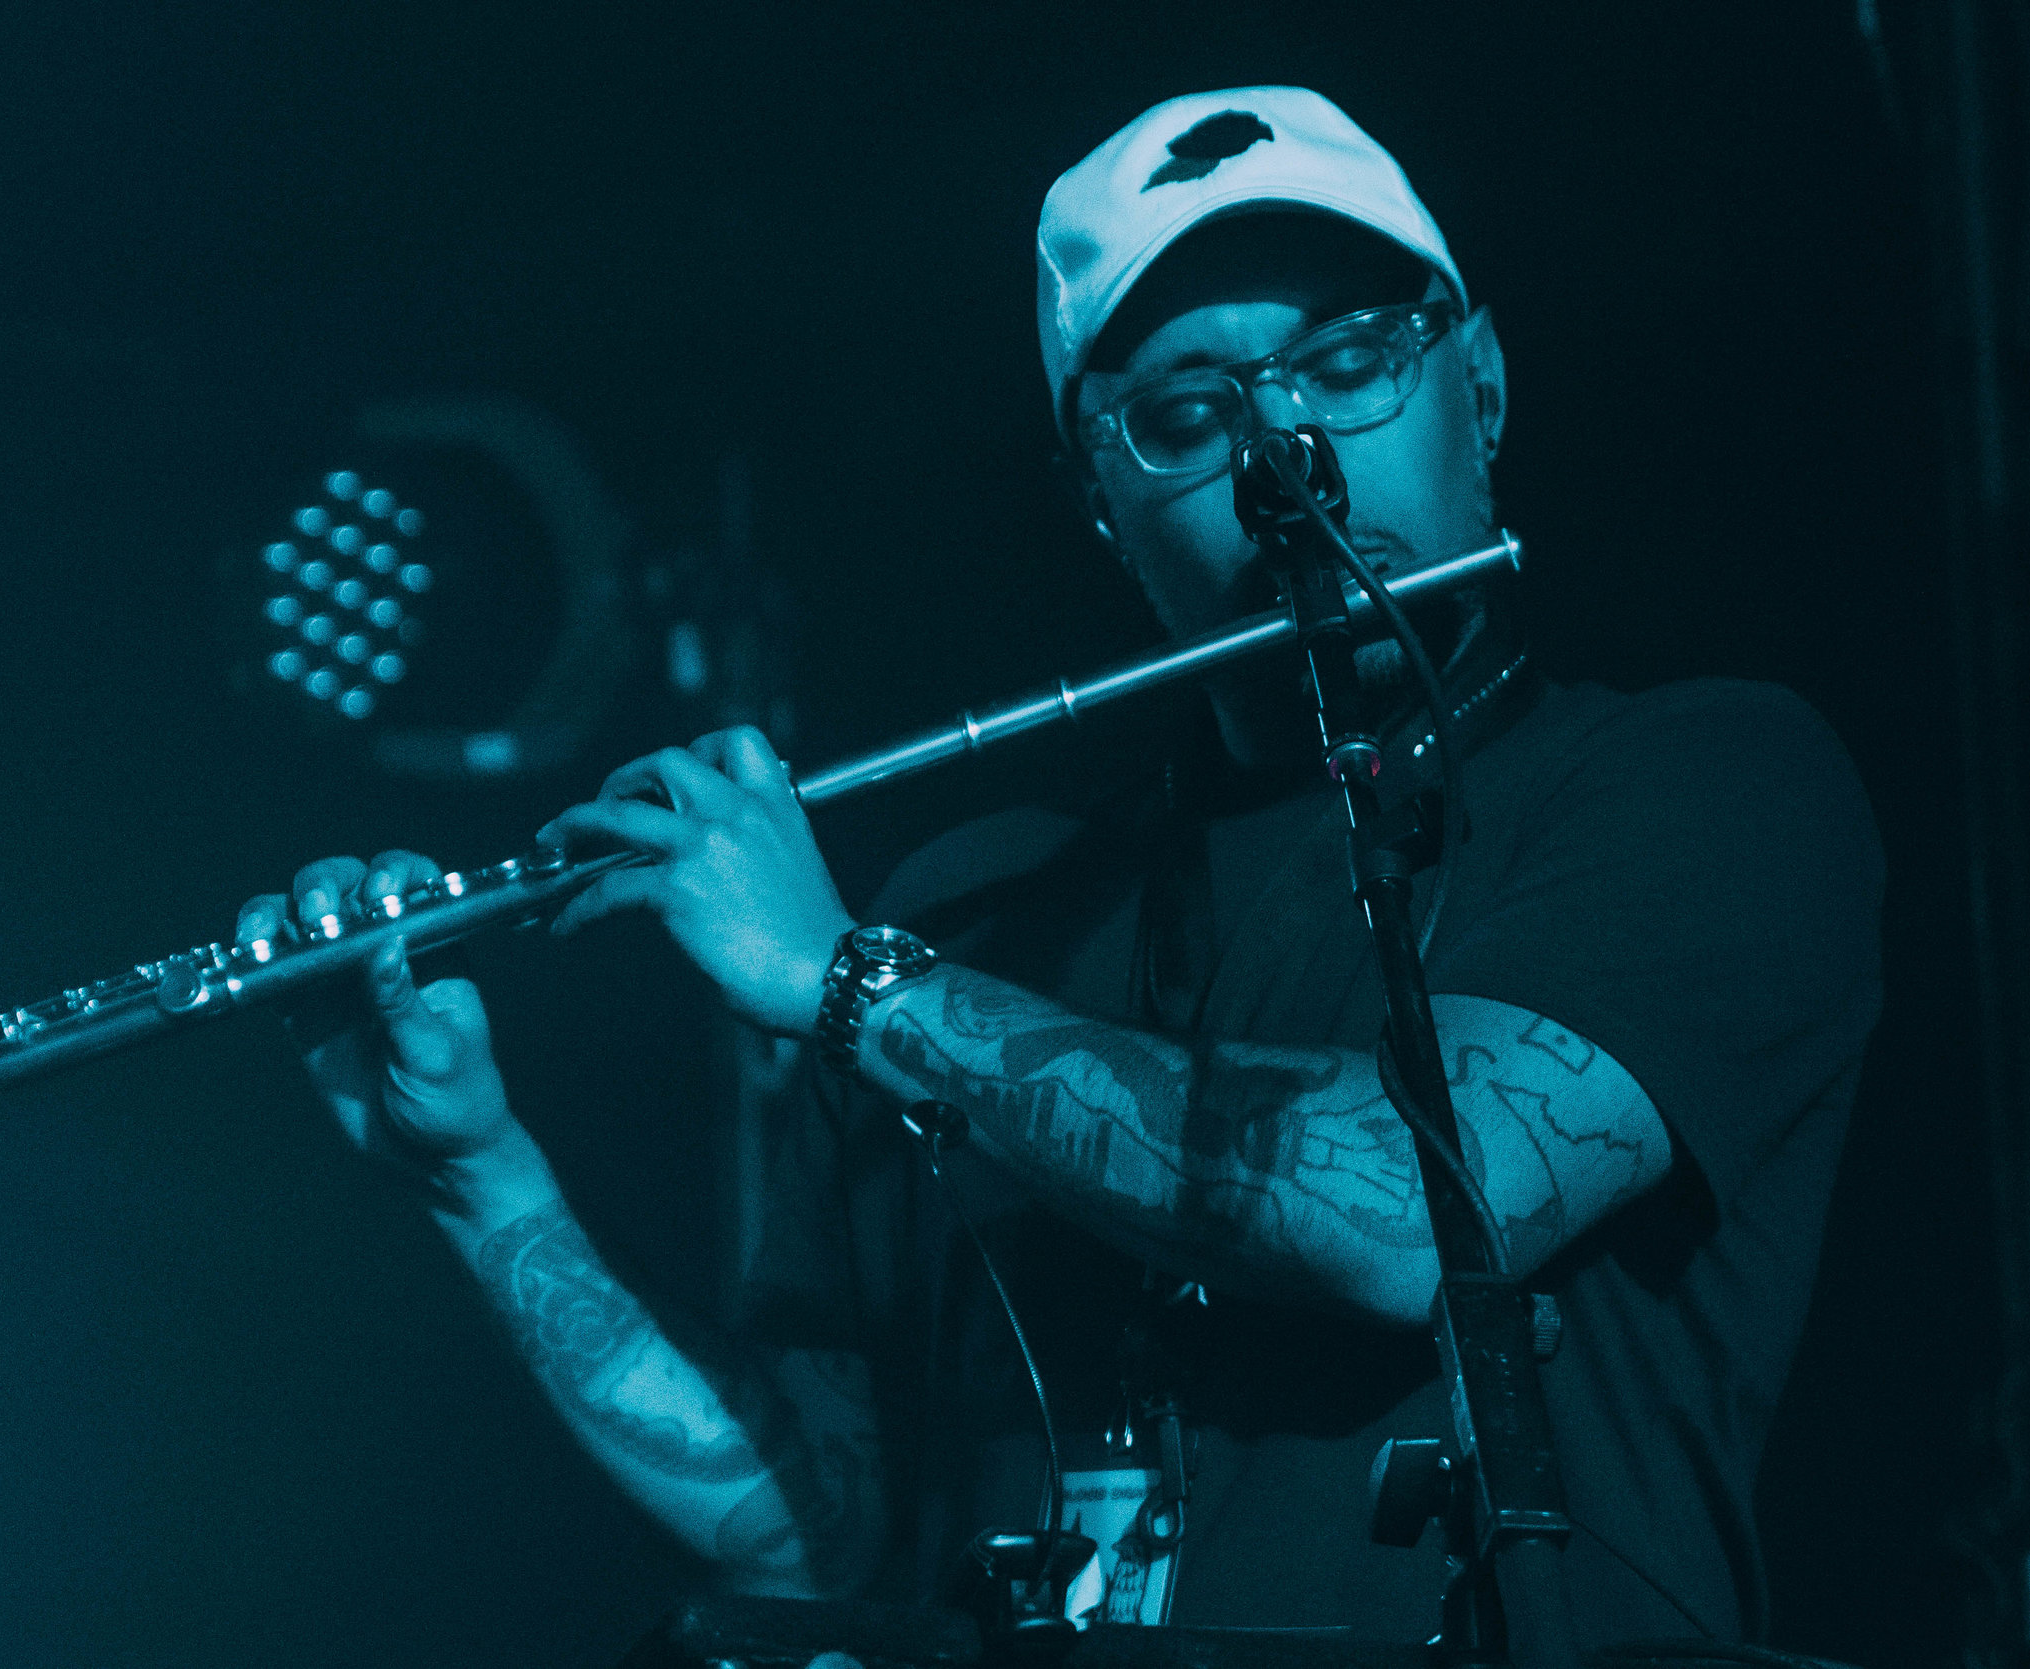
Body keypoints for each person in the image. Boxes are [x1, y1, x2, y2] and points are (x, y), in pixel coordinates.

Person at [236, 87, 1882, 1649]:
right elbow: (814, 1526)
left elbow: (1409, 1210)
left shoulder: (1707, 779)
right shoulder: (977, 905)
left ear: (1486, 385)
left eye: (1351, 363)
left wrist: (852, 980)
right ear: (1099, 495)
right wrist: (482, 1176)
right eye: (1187, 415)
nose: (1284, 454)